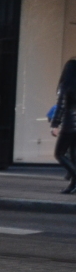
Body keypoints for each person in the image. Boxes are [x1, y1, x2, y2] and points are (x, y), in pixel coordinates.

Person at [51, 58, 76, 194]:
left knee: (59, 154)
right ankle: (73, 185)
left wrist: (55, 124)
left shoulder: (66, 85)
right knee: (73, 155)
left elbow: (60, 106)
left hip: (69, 125)